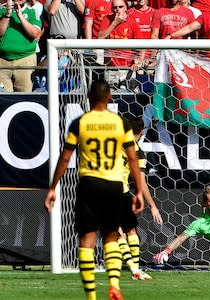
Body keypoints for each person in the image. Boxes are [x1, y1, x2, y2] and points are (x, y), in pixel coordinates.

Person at [44, 79, 145, 300]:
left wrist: (53, 187)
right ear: (109, 98)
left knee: (87, 241)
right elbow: (132, 159)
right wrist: (138, 191)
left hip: (89, 184)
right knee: (111, 237)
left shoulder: (80, 122)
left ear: (89, 98)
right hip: (114, 187)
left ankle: (91, 296)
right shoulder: (121, 123)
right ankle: (115, 286)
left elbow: (65, 158)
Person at [118, 116, 163, 281]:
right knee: (129, 231)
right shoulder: (138, 152)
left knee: (120, 233)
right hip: (121, 192)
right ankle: (135, 270)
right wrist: (152, 205)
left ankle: (134, 270)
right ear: (141, 132)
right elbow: (141, 182)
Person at [98, 0, 142, 88]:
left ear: (126, 8)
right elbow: (100, 38)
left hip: (128, 67)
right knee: (112, 97)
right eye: (115, 7)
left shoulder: (132, 21)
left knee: (129, 96)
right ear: (111, 9)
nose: (118, 9)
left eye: (120, 7)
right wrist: (115, 23)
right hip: (111, 67)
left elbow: (140, 45)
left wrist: (137, 62)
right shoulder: (107, 19)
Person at [0, 0, 42, 92]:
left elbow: (35, 33)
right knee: (3, 99)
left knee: (24, 99)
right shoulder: (1, 10)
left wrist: (20, 16)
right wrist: (7, 14)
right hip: (2, 61)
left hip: (25, 60)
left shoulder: (32, 11)